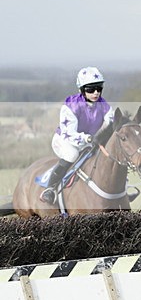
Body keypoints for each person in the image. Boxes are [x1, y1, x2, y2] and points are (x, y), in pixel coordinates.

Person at [39, 67, 114, 204]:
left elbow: (110, 125)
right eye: (91, 89)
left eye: (99, 88)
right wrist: (88, 138)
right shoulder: (71, 105)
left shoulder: (105, 106)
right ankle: (50, 189)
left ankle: (119, 190)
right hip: (65, 140)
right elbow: (69, 133)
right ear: (82, 90)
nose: (96, 92)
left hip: (90, 143)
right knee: (72, 155)